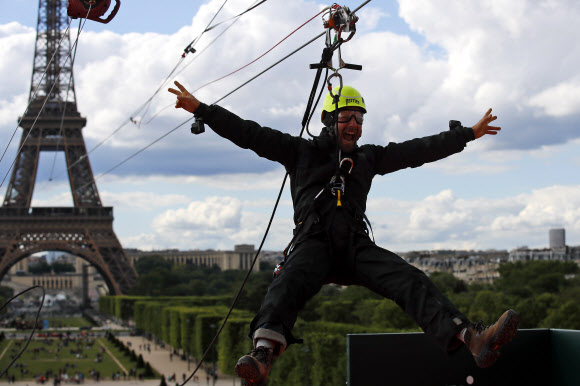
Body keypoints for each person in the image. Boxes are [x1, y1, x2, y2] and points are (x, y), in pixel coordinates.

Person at [169, 81, 519, 385]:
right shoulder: (300, 151)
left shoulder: (368, 158)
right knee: (286, 283)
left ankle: (473, 339)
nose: (355, 124)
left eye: (360, 119)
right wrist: (203, 110)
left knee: (409, 279)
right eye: (347, 118)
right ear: (329, 121)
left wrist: (467, 134)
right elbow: (249, 133)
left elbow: (417, 150)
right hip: (314, 243)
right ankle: (262, 357)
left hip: (354, 245)